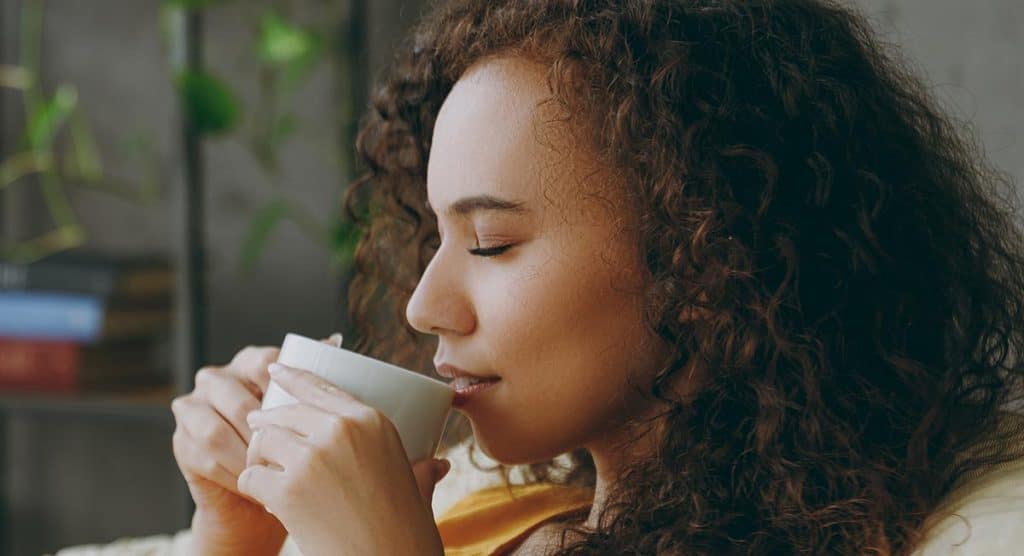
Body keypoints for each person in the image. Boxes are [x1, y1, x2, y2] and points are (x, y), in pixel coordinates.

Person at [170, 0, 1024, 554]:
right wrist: (235, 535)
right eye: (434, 234)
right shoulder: (498, 517)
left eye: (492, 242)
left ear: (707, 260)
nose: (425, 306)